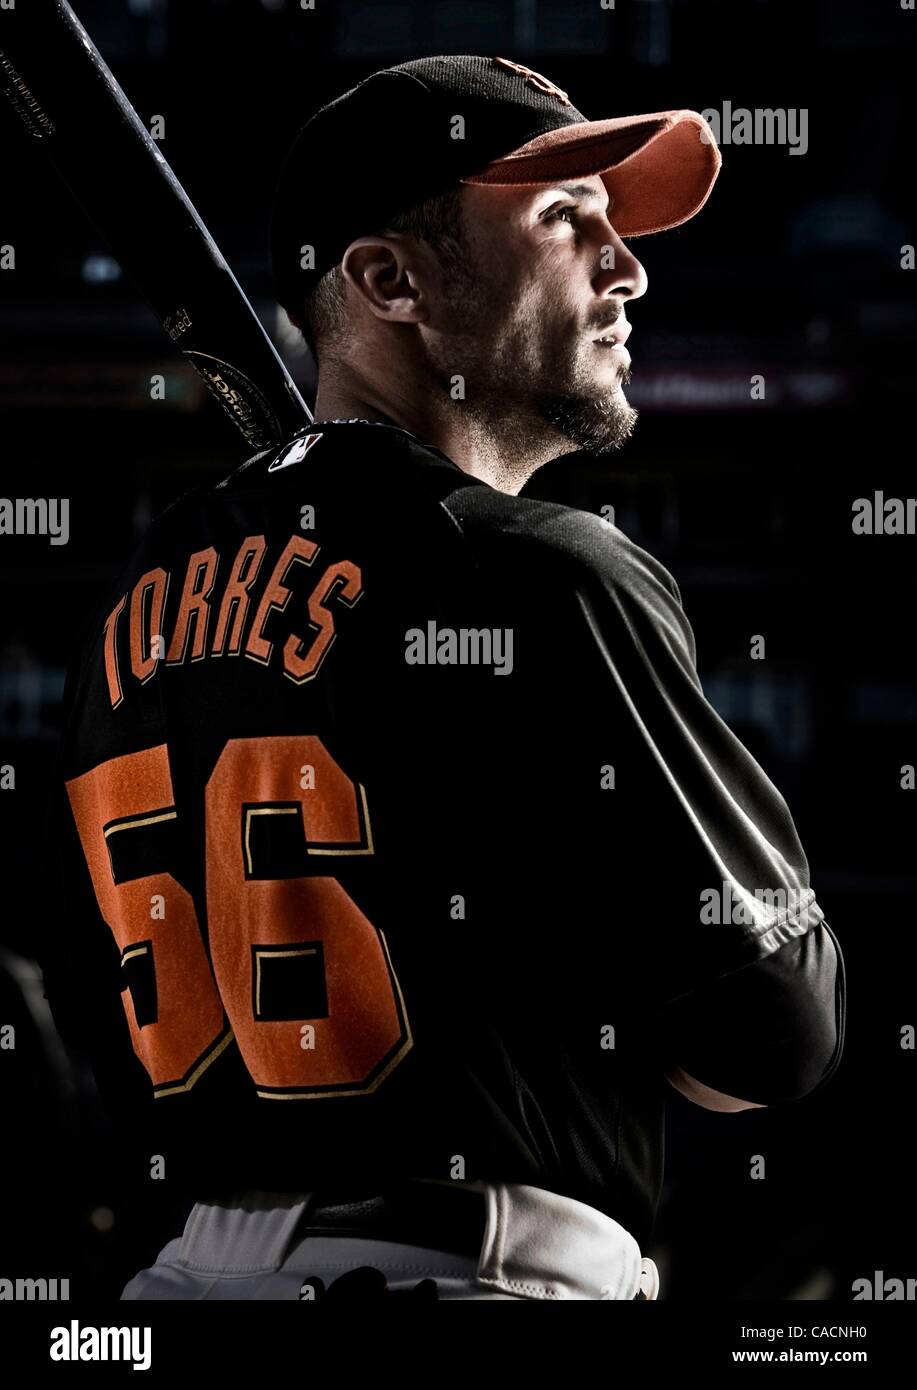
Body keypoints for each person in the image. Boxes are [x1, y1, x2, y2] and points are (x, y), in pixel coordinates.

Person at [44, 54, 844, 1302]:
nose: (625, 267)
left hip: (181, 1279)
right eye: (564, 221)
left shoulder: (143, 601)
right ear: (387, 280)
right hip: (468, 1274)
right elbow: (770, 1038)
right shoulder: (548, 571)